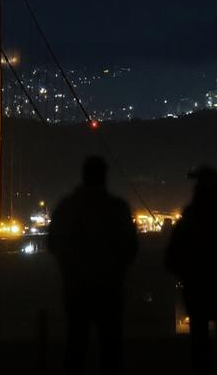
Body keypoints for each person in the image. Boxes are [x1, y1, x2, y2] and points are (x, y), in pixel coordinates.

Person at [48, 156, 138, 375]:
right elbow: (130, 247)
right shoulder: (117, 208)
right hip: (109, 289)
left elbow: (52, 243)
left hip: (76, 288)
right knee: (111, 348)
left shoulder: (67, 207)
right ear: (105, 176)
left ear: (84, 175)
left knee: (76, 346)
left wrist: (70, 267)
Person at [166, 165, 217, 375]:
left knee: (200, 345)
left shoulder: (192, 214)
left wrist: (183, 274)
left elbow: (174, 253)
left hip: (197, 289)